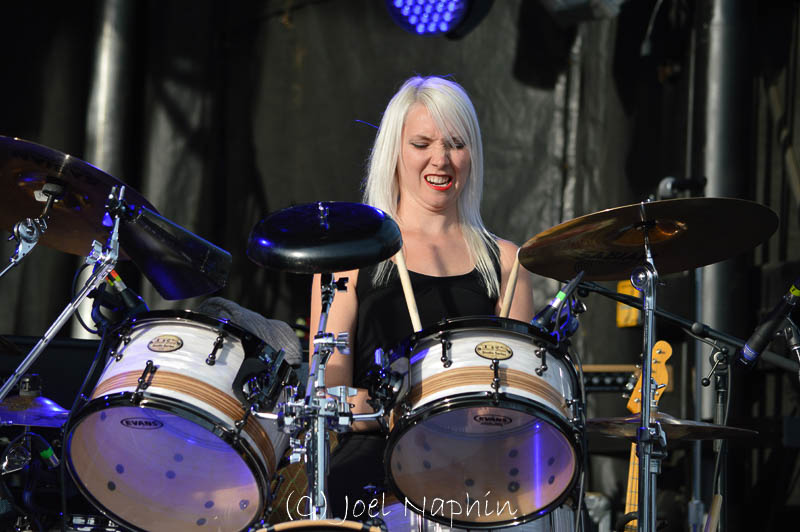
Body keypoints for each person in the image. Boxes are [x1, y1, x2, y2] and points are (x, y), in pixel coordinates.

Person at [308, 75, 534, 521]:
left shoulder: (507, 263)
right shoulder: (347, 261)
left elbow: (520, 390)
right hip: (374, 465)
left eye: (455, 143)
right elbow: (327, 394)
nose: (441, 159)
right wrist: (381, 408)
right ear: (395, 151)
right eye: (422, 143)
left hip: (479, 466)